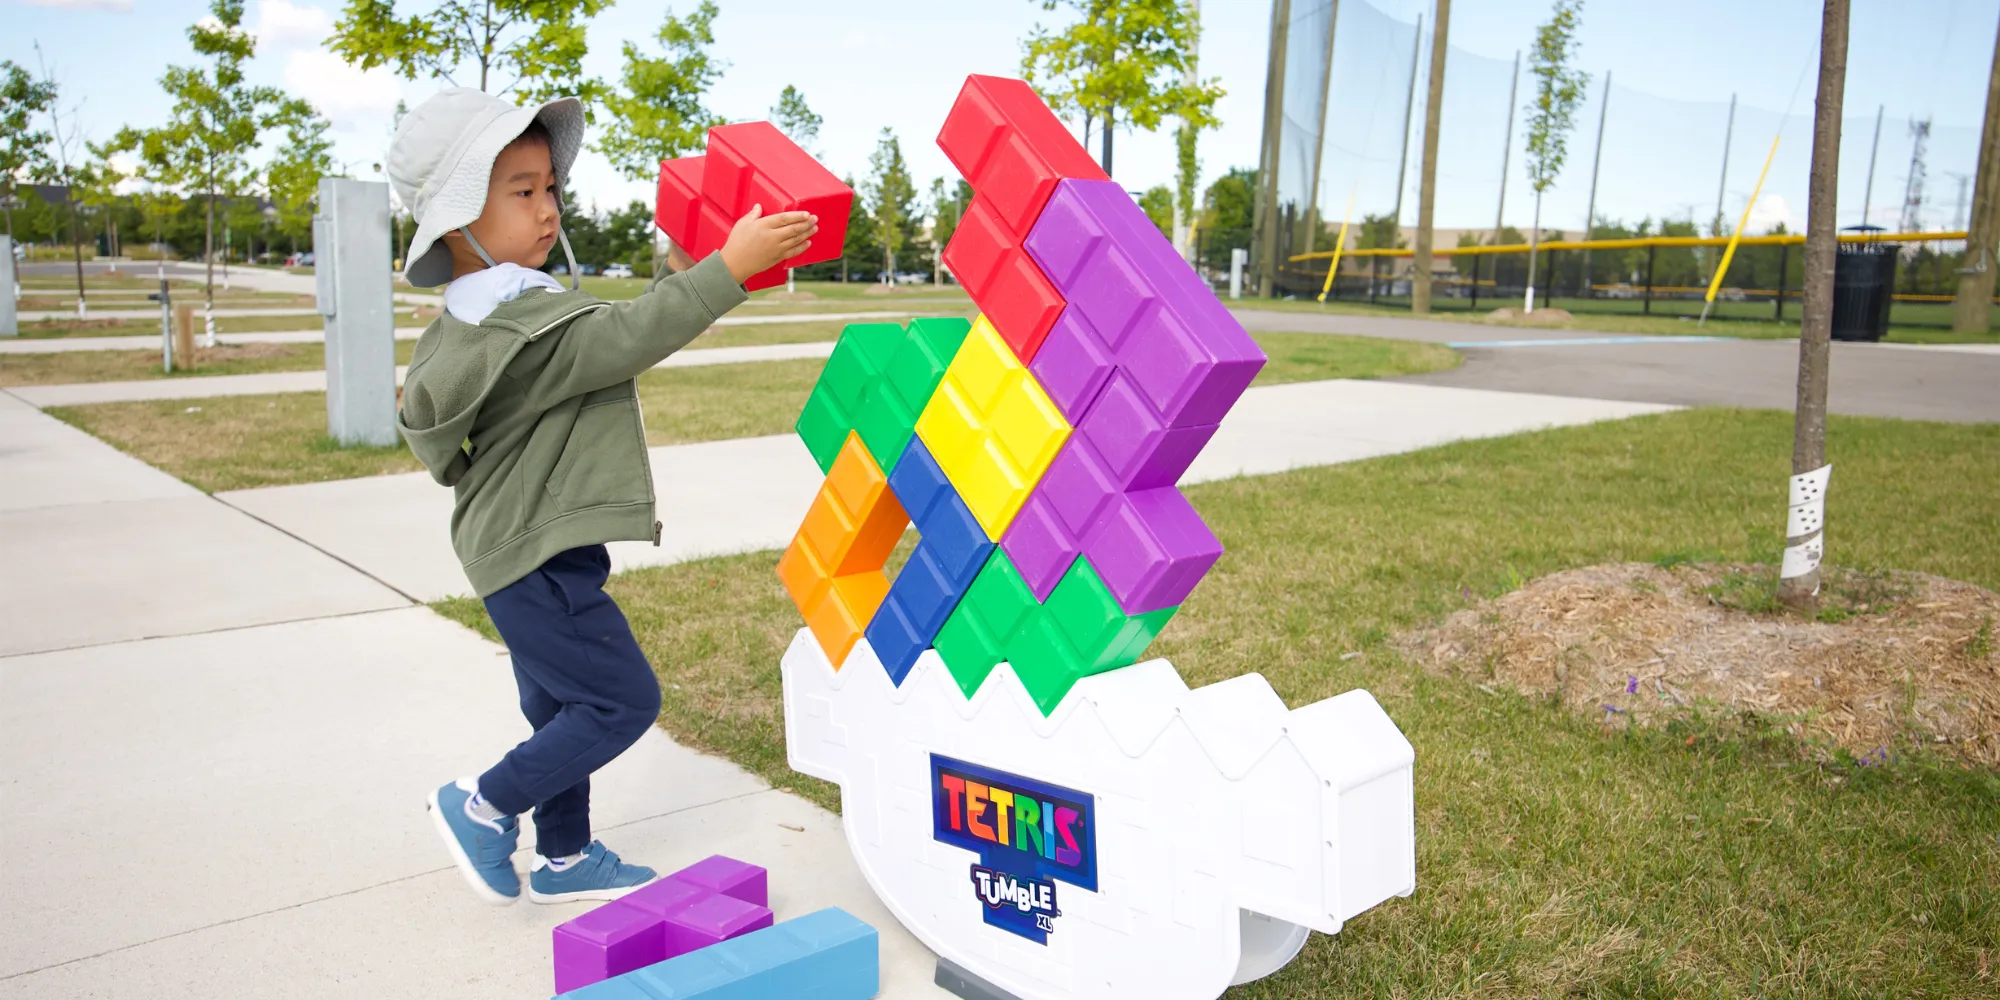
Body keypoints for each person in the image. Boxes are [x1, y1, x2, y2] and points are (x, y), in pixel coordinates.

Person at [386, 87, 815, 905]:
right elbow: (623, 339)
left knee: (563, 714)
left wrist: (695, 274)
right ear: (453, 221)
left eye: (550, 188)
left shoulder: (485, 315)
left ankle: (564, 856)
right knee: (621, 701)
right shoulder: (524, 331)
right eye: (521, 192)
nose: (547, 210)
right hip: (535, 553)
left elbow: (611, 324)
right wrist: (731, 269)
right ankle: (482, 805)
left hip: (520, 547)